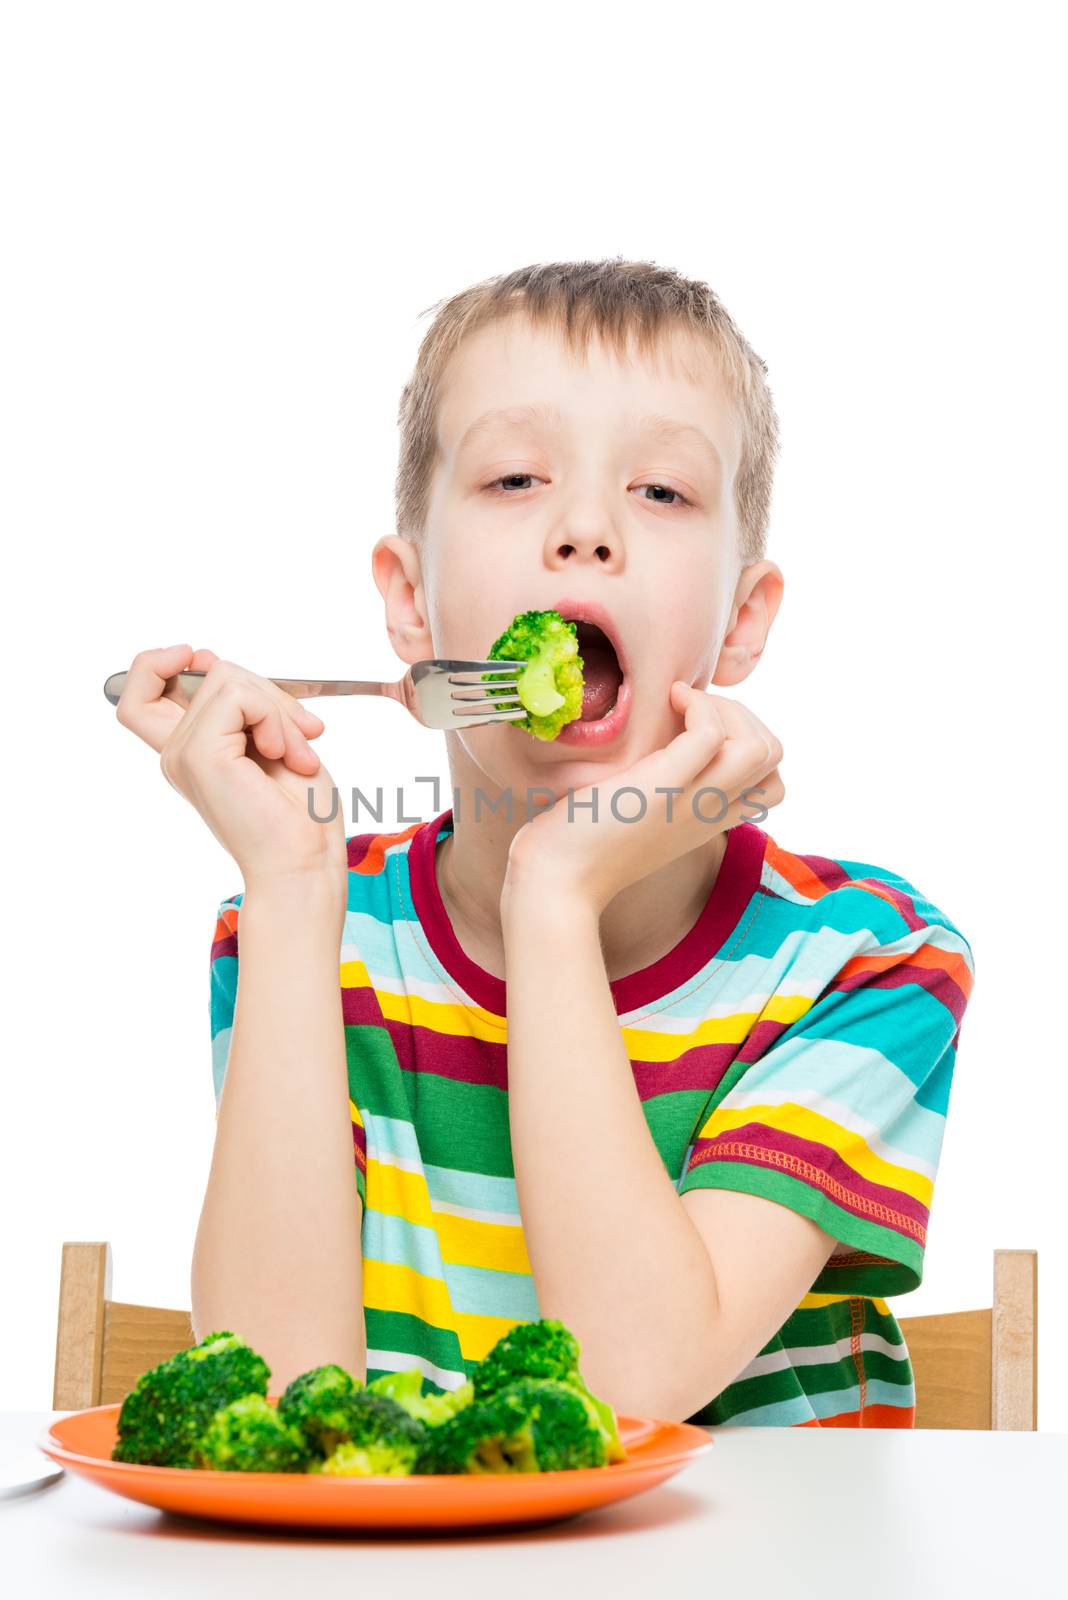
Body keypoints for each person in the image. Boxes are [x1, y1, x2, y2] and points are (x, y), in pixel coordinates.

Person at [116, 259, 975, 1427]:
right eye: (517, 477)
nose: (584, 530)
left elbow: (629, 1384)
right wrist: (288, 882)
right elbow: (275, 1411)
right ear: (412, 604)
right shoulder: (302, 933)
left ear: (743, 619)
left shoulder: (868, 961)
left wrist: (555, 893)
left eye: (662, 492)